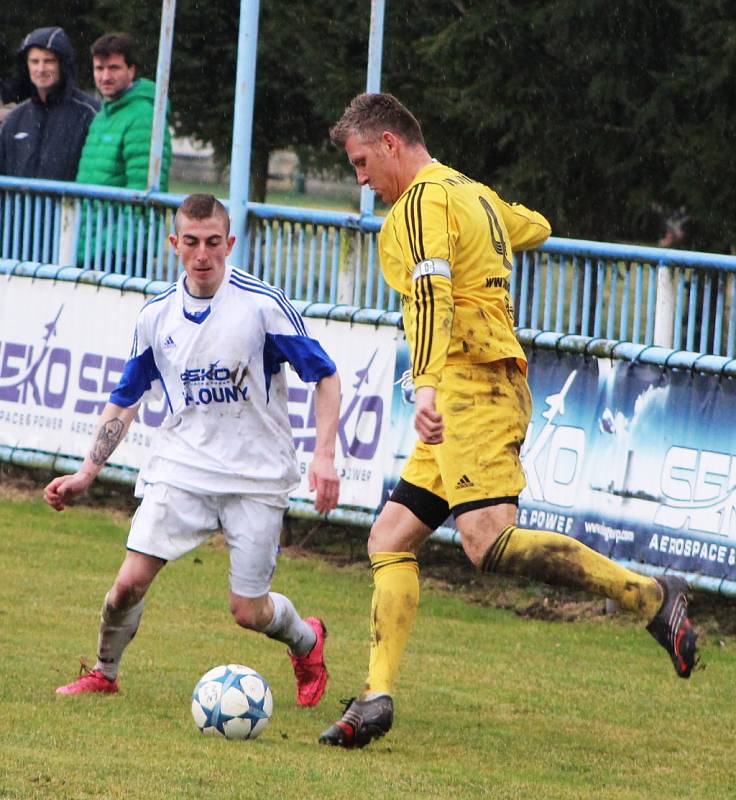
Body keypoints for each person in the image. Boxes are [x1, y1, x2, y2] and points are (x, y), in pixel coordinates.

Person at [319, 93, 698, 749]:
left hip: (470, 384)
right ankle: (376, 697)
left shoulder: (420, 203)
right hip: (476, 381)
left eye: (360, 161)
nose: (361, 180)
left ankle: (648, 597)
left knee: (487, 542)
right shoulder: (467, 192)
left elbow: (434, 289)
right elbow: (538, 226)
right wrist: (488, 224)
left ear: (388, 143)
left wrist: (428, 384)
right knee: (389, 538)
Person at [46, 193, 341, 708]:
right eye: (191, 242)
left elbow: (327, 376)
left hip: (256, 476)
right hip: (182, 467)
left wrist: (323, 455)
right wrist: (86, 474)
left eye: (212, 243)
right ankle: (104, 672)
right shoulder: (156, 317)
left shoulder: (261, 305)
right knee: (127, 585)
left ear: (229, 243)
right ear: (174, 244)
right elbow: (125, 400)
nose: (202, 254)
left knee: (247, 611)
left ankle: (307, 641)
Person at [75, 33, 172, 263]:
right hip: (89, 245)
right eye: (99, 68)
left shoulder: (143, 116)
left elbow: (143, 195)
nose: (105, 76)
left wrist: (114, 250)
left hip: (117, 254)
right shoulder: (102, 116)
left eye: (114, 68)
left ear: (131, 70)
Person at [0, 27, 99, 180]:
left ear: (63, 64)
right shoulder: (14, 119)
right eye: (34, 61)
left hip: (69, 203)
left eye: (49, 61)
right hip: (20, 204)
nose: (41, 69)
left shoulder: (89, 113)